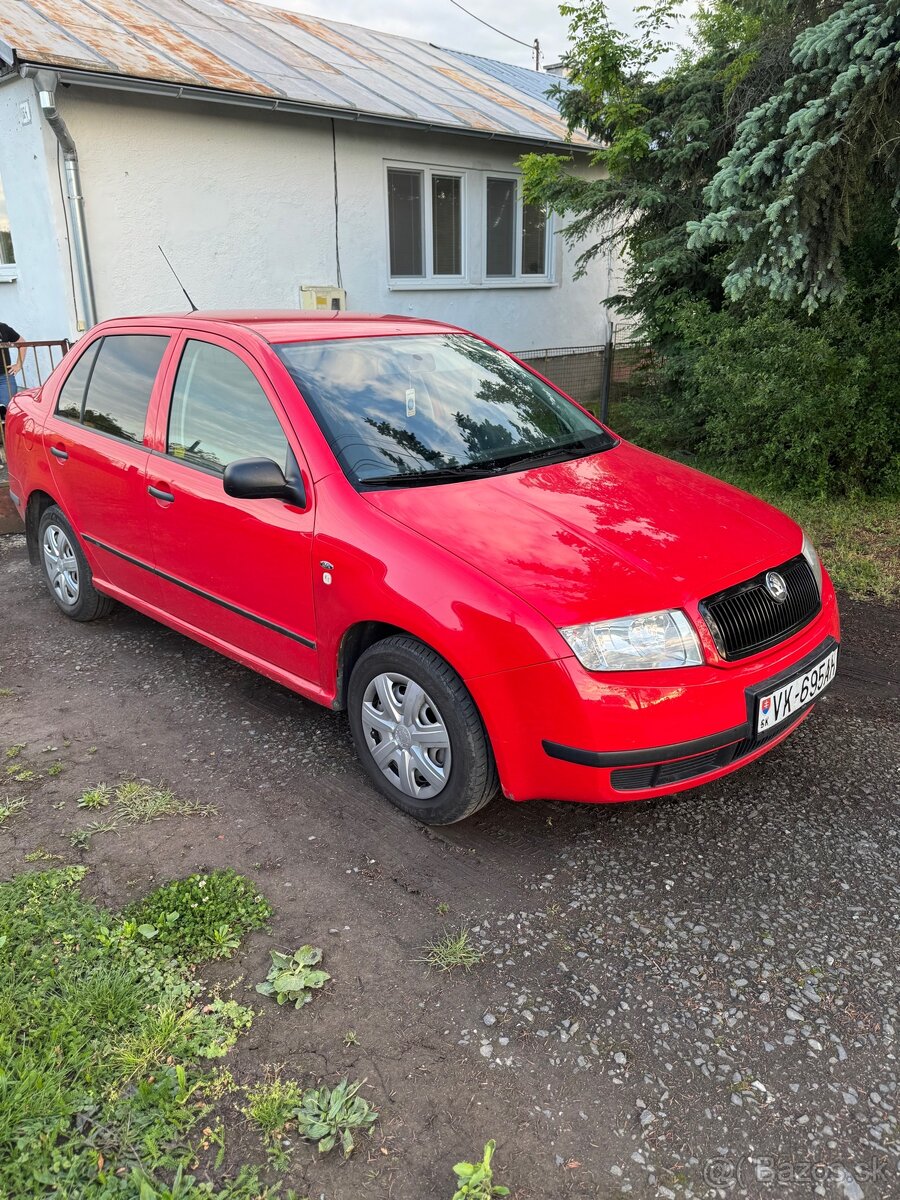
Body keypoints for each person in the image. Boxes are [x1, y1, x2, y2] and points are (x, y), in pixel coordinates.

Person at [0, 320, 23, 424]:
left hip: (5, 378)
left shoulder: (2, 327)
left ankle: (6, 439)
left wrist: (19, 364)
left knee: (8, 414)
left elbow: (22, 343)